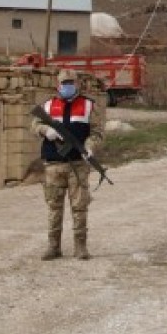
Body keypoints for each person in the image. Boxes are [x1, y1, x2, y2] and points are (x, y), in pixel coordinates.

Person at [31, 69, 104, 260]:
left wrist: (90, 147)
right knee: (54, 207)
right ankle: (53, 247)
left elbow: (97, 132)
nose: (67, 86)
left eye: (71, 82)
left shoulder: (89, 105)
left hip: (78, 164)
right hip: (53, 164)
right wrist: (46, 130)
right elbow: (34, 125)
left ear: (77, 84)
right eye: (64, 83)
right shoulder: (48, 105)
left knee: (80, 207)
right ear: (58, 84)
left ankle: (80, 247)